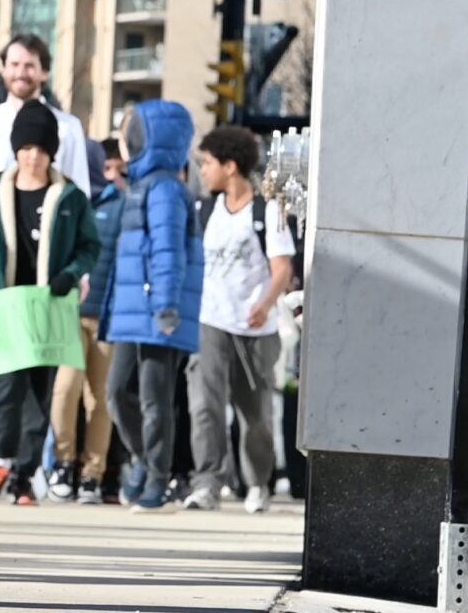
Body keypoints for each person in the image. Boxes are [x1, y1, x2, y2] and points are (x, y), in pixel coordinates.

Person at [0, 103, 101, 505]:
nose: (33, 156)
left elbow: (89, 245)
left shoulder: (70, 196)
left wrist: (71, 274)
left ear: (52, 152)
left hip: (48, 305)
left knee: (39, 391)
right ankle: (1, 458)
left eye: (41, 149)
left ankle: (24, 473)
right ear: (15, 149)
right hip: (5, 304)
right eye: (26, 147)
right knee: (6, 387)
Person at [186, 125, 294, 514]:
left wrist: (265, 303)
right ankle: (208, 483)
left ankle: (257, 483)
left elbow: (281, 268)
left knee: (256, 417)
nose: (203, 170)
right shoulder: (205, 209)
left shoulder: (269, 211)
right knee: (204, 406)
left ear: (230, 166)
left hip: (254, 328)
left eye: (208, 163)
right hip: (210, 321)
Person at [103, 100, 203, 513]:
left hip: (157, 312)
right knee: (117, 392)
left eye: (133, 131)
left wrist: (165, 306)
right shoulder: (142, 185)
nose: (126, 140)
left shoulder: (164, 189)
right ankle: (145, 460)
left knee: (153, 398)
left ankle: (158, 479)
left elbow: (167, 251)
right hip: (132, 312)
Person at [49, 135, 129, 502]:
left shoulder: (122, 203)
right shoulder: (64, 199)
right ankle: (64, 462)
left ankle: (93, 472)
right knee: (65, 389)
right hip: (66, 312)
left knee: (100, 399)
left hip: (106, 315)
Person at [0, 35, 96, 208]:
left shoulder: (67, 127)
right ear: (3, 69)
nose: (20, 73)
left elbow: (79, 193)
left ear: (44, 72)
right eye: (14, 65)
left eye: (29, 66)